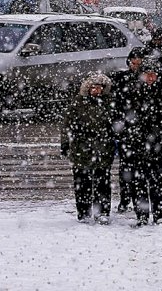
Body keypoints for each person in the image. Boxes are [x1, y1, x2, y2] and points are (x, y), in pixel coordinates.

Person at [115, 57, 162, 226]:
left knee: (158, 179)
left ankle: (158, 213)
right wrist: (121, 136)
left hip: (159, 141)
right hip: (136, 141)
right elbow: (119, 115)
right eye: (147, 74)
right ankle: (141, 214)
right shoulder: (130, 90)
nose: (150, 78)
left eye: (153, 75)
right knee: (138, 180)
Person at [60, 73, 116, 224]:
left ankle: (102, 212)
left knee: (102, 182)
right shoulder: (78, 103)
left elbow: (117, 124)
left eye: (99, 88)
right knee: (82, 183)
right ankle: (83, 212)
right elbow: (67, 124)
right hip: (81, 148)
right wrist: (65, 142)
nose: (96, 91)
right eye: (93, 87)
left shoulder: (110, 102)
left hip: (103, 148)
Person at [109, 46, 147, 214]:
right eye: (133, 62)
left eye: (138, 62)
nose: (135, 65)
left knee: (138, 168)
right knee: (126, 167)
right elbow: (115, 103)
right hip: (126, 129)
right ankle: (125, 199)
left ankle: (136, 199)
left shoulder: (146, 79)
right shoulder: (121, 79)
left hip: (141, 129)